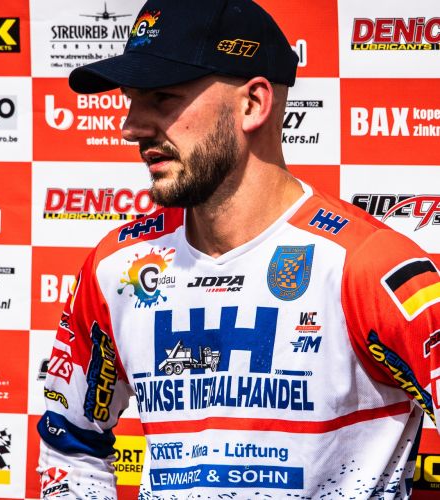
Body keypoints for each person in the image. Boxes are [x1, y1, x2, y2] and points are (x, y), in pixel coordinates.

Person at [37, 0, 440, 498]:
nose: (131, 127)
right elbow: (69, 444)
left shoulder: (367, 265)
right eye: (131, 100)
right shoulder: (117, 266)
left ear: (253, 103)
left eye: (162, 98)